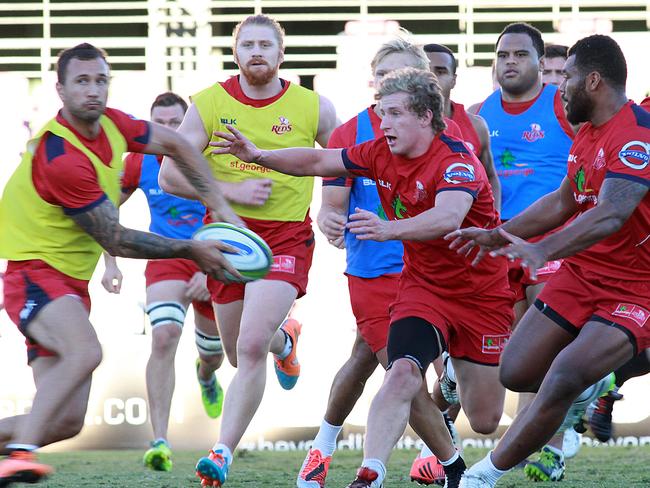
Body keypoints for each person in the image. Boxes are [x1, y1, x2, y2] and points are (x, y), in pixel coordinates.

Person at [211, 66, 512, 488]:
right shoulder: (376, 151)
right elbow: (318, 160)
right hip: (422, 290)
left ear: (425, 116)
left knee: (484, 419)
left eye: (393, 114)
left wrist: (390, 228)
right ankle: (371, 473)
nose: (383, 123)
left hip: (482, 294)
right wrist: (258, 155)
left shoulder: (456, 159)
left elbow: (448, 218)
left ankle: (453, 390)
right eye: (380, 113)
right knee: (401, 371)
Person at [0, 43, 240, 485]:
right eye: (82, 81)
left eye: (100, 80)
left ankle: (22, 443)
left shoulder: (114, 125)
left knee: (65, 422)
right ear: (60, 89)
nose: (93, 90)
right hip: (33, 273)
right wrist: (193, 249)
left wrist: (218, 202)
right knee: (86, 352)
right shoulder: (61, 157)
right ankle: (19, 452)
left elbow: (173, 142)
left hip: (68, 283)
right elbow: (116, 238)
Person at [449, 34, 649, 488]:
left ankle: (484, 475)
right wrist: (499, 234)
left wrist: (542, 249)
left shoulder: (636, 136)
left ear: (593, 81)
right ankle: (595, 382)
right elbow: (563, 201)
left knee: (563, 376)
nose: (559, 86)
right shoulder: (586, 134)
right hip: (583, 275)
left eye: (569, 76)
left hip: (635, 286)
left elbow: (611, 213)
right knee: (516, 371)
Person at [156, 14, 338, 487]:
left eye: (266, 45)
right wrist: (232, 191)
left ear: (282, 54)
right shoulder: (209, 103)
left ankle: (221, 453)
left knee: (251, 344)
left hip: (285, 240)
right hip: (227, 238)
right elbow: (169, 176)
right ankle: (287, 341)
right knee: (241, 353)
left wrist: (332, 209)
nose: (256, 52)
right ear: (235, 53)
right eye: (247, 45)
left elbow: (342, 160)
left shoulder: (312, 106)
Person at [298, 39, 461, 488]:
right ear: (373, 81)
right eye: (385, 74)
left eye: (404, 73)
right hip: (375, 271)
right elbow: (332, 202)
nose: (393, 82)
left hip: (436, 271)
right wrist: (331, 220)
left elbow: (474, 193)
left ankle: (322, 446)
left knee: (366, 361)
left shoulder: (453, 130)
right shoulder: (349, 133)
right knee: (402, 373)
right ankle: (452, 467)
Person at [470, 23, 577, 480]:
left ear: (539, 61)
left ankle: (548, 446)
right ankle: (534, 437)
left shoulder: (565, 107)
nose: (509, 61)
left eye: (520, 54)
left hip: (551, 242)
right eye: (502, 55)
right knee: (517, 351)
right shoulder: (478, 115)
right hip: (499, 245)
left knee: (547, 342)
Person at [101, 92, 226, 472]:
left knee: (213, 355)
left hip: (213, 258)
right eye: (162, 123)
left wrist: (209, 268)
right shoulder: (139, 160)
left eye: (177, 123)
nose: (170, 130)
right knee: (164, 336)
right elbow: (103, 212)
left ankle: (206, 377)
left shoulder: (211, 155)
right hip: (166, 259)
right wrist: (110, 264)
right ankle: (160, 441)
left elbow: (232, 212)